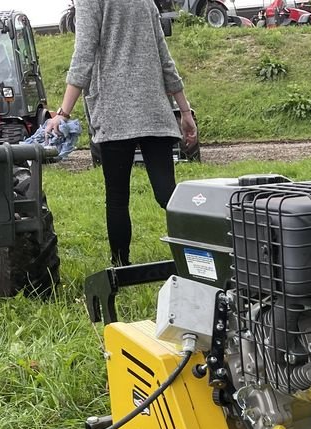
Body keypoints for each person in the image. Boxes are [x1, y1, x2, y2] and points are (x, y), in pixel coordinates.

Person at [45, 0, 197, 266]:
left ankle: (120, 267)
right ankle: (198, 257)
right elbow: (165, 58)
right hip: (154, 110)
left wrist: (63, 113)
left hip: (114, 113)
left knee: (117, 198)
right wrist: (184, 111)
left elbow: (83, 54)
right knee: (167, 194)